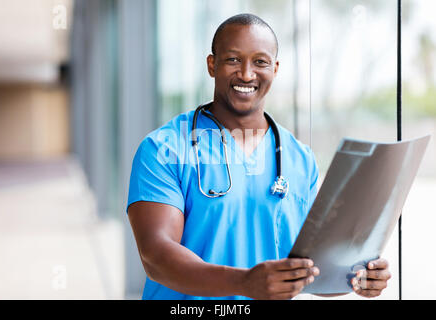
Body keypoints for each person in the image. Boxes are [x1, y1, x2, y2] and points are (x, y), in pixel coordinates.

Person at [126, 13, 391, 300]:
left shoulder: (299, 159)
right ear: (212, 65)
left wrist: (357, 275)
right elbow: (155, 256)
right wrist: (243, 283)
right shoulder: (164, 149)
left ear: (275, 69)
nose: (247, 74)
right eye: (233, 60)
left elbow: (312, 269)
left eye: (260, 62)